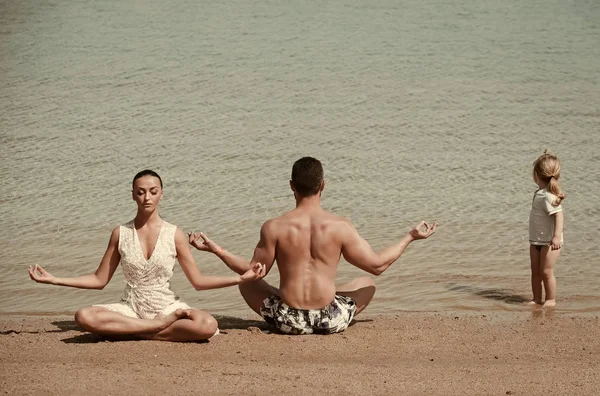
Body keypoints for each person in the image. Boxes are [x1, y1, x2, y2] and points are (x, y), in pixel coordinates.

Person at [189, 157, 437, 335]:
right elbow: (377, 266)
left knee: (247, 284)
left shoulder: (274, 226)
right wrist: (410, 237)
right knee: (367, 284)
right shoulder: (340, 226)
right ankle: (325, 294)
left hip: (287, 321)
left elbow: (251, 270)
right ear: (323, 185)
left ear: (291, 185)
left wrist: (216, 250)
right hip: (331, 321)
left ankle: (296, 297)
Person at [29, 170, 265, 341]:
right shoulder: (120, 233)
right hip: (130, 307)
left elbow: (199, 282)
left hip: (166, 307)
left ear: (162, 194)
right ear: (133, 195)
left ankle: (136, 330)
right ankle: (153, 328)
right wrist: (54, 279)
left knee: (207, 324)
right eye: (141, 192)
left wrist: (241, 279)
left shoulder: (175, 234)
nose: (147, 198)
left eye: (153, 192)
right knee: (83, 316)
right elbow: (99, 280)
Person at [528, 150, 565, 308]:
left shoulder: (548, 196)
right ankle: (536, 298)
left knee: (546, 272)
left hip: (550, 242)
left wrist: (556, 236)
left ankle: (550, 299)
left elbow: (559, 215)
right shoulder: (540, 194)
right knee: (535, 272)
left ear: (535, 175)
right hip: (536, 240)